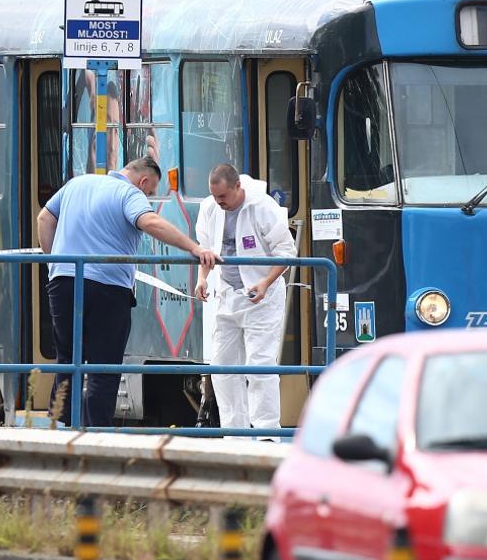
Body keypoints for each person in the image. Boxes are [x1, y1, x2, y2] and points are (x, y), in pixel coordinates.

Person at [36, 155, 218, 428]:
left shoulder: (77, 184)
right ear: (143, 181)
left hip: (63, 284)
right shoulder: (128, 193)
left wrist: (56, 263)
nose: (148, 195)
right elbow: (150, 223)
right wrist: (194, 248)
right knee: (103, 365)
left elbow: (44, 218)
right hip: (107, 288)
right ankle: (96, 433)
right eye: (151, 191)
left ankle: (60, 428)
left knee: (67, 359)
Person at [196, 164, 296, 432]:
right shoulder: (209, 208)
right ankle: (234, 432)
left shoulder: (263, 207)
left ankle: (266, 433)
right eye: (215, 197)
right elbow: (206, 250)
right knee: (223, 367)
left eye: (224, 197)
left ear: (237, 187)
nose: (220, 203)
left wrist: (265, 282)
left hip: (261, 299)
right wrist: (202, 279)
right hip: (226, 295)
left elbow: (286, 251)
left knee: (260, 365)